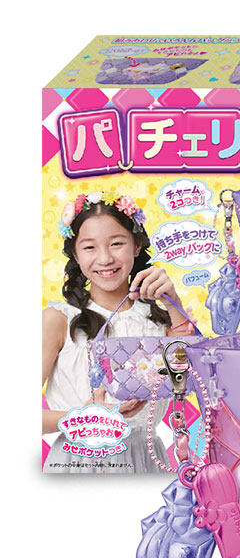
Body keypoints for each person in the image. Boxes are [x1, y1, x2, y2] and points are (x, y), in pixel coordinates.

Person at [42, 191, 193, 473]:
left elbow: (187, 380)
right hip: (78, 464)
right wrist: (85, 417)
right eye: (89, 247)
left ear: (136, 246)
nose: (105, 258)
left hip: (145, 460)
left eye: (116, 243)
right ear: (75, 254)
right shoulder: (58, 319)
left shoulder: (160, 319)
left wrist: (174, 303)